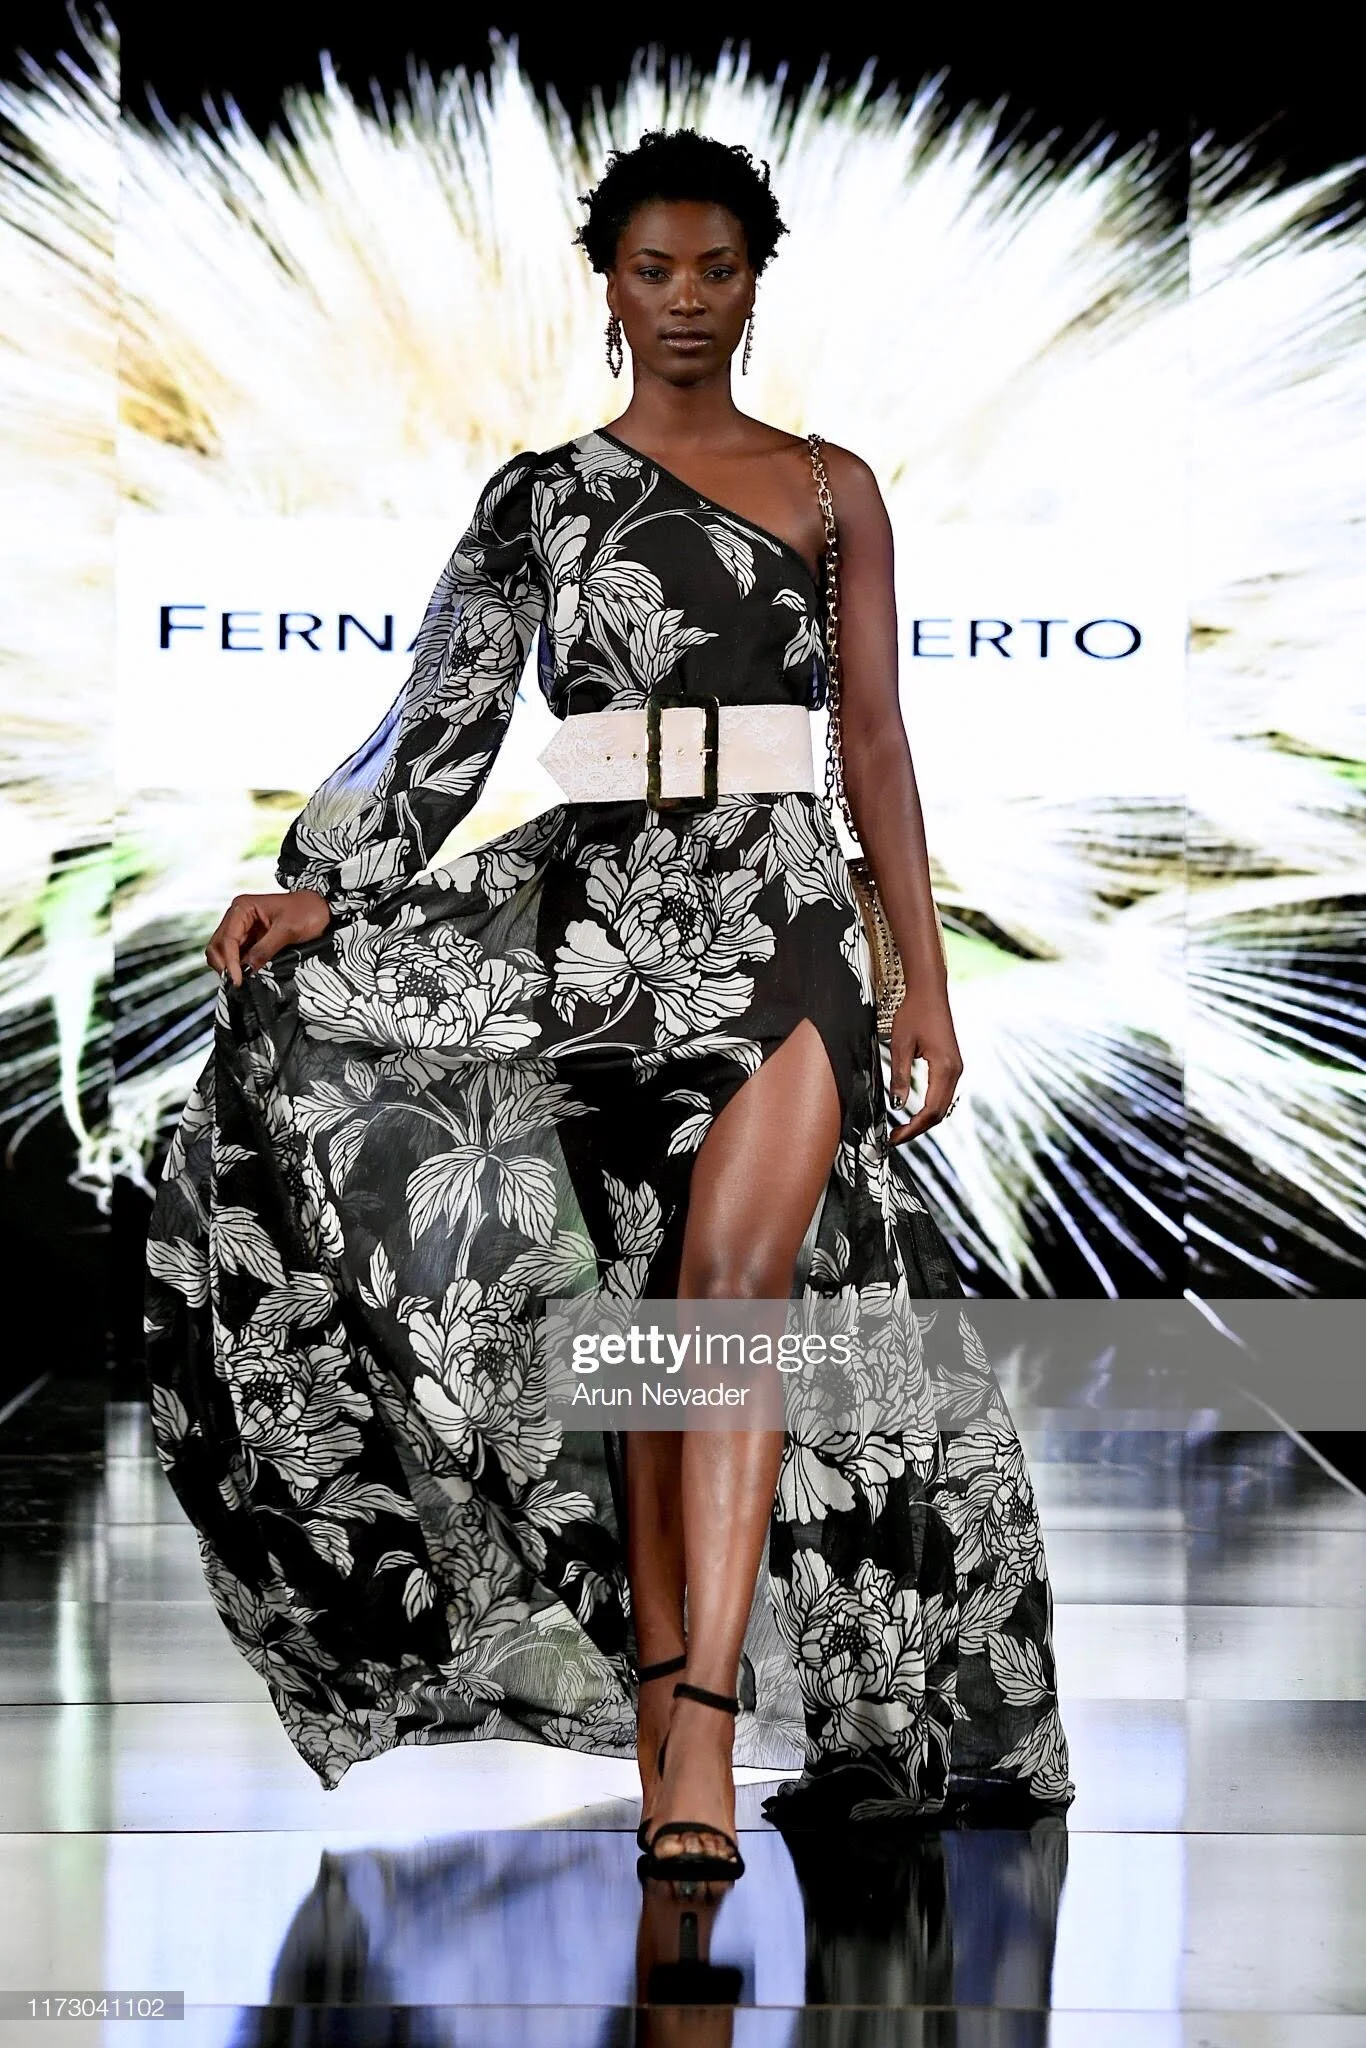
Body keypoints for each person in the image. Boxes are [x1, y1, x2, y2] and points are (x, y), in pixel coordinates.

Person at [144, 130, 1073, 1884]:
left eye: (715, 270)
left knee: (730, 1310)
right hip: (593, 939)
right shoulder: (540, 499)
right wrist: (329, 879)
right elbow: (447, 716)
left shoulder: (827, 488)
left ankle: (699, 1758)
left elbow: (872, 737)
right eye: (654, 271)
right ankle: (671, 1720)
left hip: (785, 916)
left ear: (753, 280)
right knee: (663, 1343)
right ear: (610, 285)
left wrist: (921, 973)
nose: (686, 302)